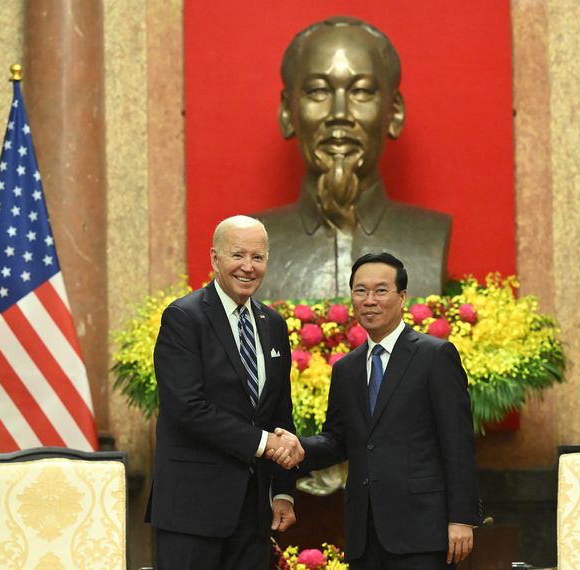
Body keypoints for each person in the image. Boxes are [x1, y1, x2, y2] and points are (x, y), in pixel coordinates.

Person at [272, 252, 483, 569]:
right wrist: (299, 448)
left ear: (402, 297)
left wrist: (462, 518)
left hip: (424, 532)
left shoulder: (435, 356)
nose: (369, 300)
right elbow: (337, 440)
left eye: (381, 290)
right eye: (361, 291)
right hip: (365, 535)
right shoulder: (347, 368)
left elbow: (458, 442)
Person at [146, 215, 305, 569]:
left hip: (253, 514)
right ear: (215, 259)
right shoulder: (184, 318)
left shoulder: (273, 324)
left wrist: (283, 491)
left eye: (257, 257)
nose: (248, 267)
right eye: (238, 255)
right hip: (192, 512)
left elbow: (280, 412)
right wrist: (265, 443)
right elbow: (187, 408)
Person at [255, 17, 452, 300]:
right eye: (318, 91)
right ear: (287, 112)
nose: (339, 114)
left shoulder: (430, 236)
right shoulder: (249, 246)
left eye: (361, 91)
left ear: (394, 112)